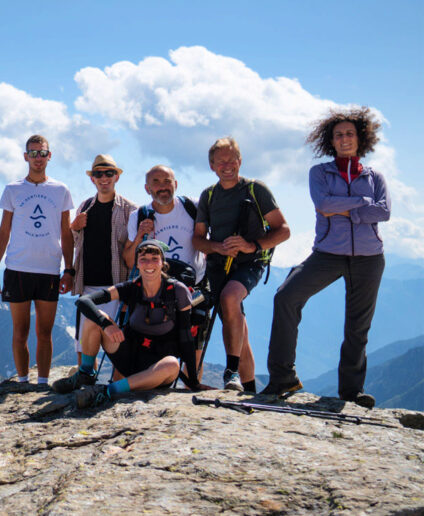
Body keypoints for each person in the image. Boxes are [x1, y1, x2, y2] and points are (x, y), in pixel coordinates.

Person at [263, 107, 388, 407]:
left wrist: (344, 207)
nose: (344, 139)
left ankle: (352, 391)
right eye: (338, 135)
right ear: (331, 141)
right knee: (286, 297)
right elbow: (323, 205)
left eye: (349, 134)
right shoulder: (320, 172)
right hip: (327, 254)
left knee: (358, 325)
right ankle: (282, 378)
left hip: (369, 258)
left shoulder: (375, 177)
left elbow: (382, 211)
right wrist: (361, 205)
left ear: (361, 139)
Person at [193, 137, 290, 392]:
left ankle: (231, 371)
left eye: (231, 159)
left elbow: (283, 230)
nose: (227, 165)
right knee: (236, 325)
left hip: (250, 263)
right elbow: (198, 239)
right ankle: (249, 390)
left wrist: (251, 246)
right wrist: (217, 246)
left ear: (240, 161)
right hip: (218, 266)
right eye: (220, 161)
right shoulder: (209, 196)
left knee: (229, 298)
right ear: (212, 165)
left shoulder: (256, 190)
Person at [71, 240, 201, 408]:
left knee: (172, 364)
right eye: (143, 259)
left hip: (156, 368)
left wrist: (193, 381)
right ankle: (85, 374)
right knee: (92, 319)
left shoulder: (178, 291)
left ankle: (108, 391)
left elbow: (185, 336)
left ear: (163, 263)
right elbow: (84, 301)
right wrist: (106, 324)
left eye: (155, 258)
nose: (149, 264)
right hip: (129, 356)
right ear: (137, 264)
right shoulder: (131, 287)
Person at [0, 134, 75, 386]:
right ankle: (24, 382)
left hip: (49, 269)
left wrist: (68, 269)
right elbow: (4, 231)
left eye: (42, 153)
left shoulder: (60, 190)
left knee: (45, 333)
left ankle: (43, 383)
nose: (38, 157)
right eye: (33, 153)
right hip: (17, 268)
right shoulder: (13, 189)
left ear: (50, 156)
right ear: (25, 157)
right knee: (20, 331)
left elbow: (66, 232)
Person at [52, 155, 137, 394]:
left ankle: (115, 387)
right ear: (92, 179)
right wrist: (74, 228)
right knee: (85, 339)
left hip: (116, 286)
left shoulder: (130, 210)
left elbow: (134, 251)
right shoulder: (85, 207)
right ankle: (85, 382)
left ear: (116, 177)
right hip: (87, 284)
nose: (103, 178)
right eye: (98, 174)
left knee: (117, 340)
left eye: (108, 173)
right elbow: (77, 243)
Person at [123, 165, 210, 384]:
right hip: (154, 293)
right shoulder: (139, 216)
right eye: (156, 182)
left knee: (195, 342)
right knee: (153, 344)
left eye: (167, 181)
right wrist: (141, 233)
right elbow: (129, 260)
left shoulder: (193, 208)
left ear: (175, 184)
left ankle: (192, 390)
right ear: (147, 188)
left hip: (192, 289)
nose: (162, 187)